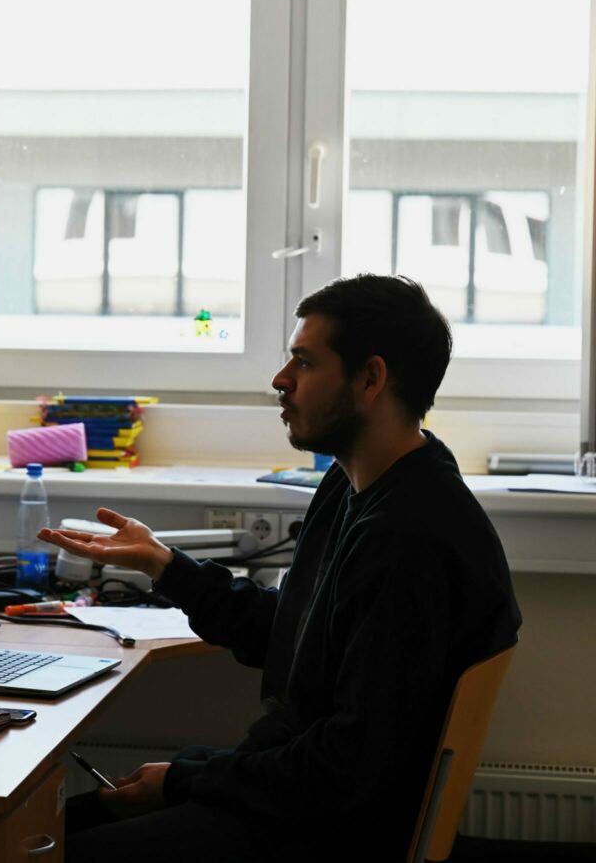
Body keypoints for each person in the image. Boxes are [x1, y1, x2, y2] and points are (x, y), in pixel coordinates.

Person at [40, 274, 521, 863]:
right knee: (54, 825)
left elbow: (346, 768)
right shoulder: (355, 485)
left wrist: (187, 779)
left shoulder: (408, 538)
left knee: (44, 844)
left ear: (370, 379)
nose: (280, 380)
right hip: (296, 794)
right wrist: (164, 565)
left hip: (327, 829)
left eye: (304, 361)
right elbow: (292, 634)